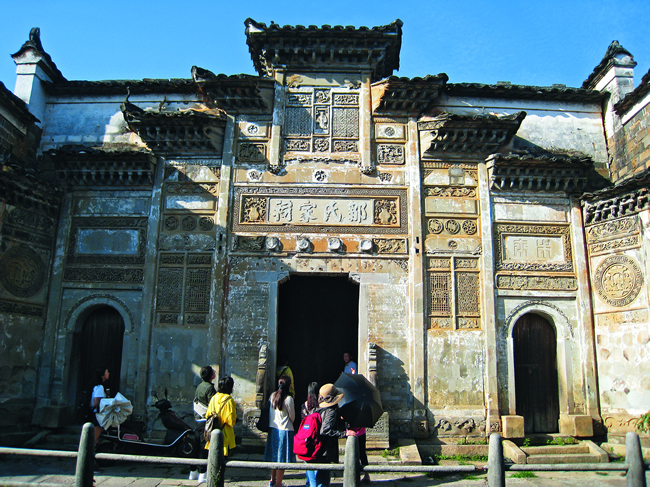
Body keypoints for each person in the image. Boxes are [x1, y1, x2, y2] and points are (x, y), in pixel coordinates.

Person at [306, 384, 348, 487]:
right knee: (322, 483)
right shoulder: (330, 412)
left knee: (313, 483)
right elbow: (324, 431)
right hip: (322, 451)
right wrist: (344, 433)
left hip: (311, 449)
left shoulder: (314, 410)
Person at [264, 375, 295, 487]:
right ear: (289, 386)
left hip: (273, 429)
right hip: (285, 430)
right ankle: (279, 484)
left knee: (274, 457)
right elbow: (292, 417)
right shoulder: (289, 399)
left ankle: (272, 480)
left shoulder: (272, 395)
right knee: (281, 460)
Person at [204, 376, 236, 484]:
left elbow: (208, 414)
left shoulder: (214, 397)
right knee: (222, 464)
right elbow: (231, 421)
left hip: (212, 432)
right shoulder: (229, 400)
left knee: (213, 461)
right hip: (225, 435)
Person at [189, 366, 216, 482]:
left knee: (196, 446)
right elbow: (212, 404)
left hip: (197, 419)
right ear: (211, 376)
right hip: (206, 420)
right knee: (203, 447)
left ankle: (193, 472)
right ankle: (202, 473)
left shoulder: (200, 386)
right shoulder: (210, 388)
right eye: (213, 371)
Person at [90, 367, 110, 445]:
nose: (108, 374)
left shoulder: (97, 386)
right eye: (107, 372)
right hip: (97, 414)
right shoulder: (100, 387)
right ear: (102, 376)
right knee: (94, 436)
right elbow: (96, 402)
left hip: (96, 413)